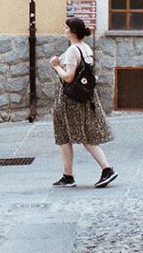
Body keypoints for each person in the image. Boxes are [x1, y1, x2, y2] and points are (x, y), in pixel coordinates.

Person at [49, 17, 117, 188]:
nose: (63, 29)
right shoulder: (85, 48)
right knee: (68, 137)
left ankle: (106, 169)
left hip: (70, 100)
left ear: (72, 31)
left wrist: (56, 65)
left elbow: (68, 77)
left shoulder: (73, 51)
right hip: (84, 97)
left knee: (80, 137)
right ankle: (67, 175)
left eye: (66, 27)